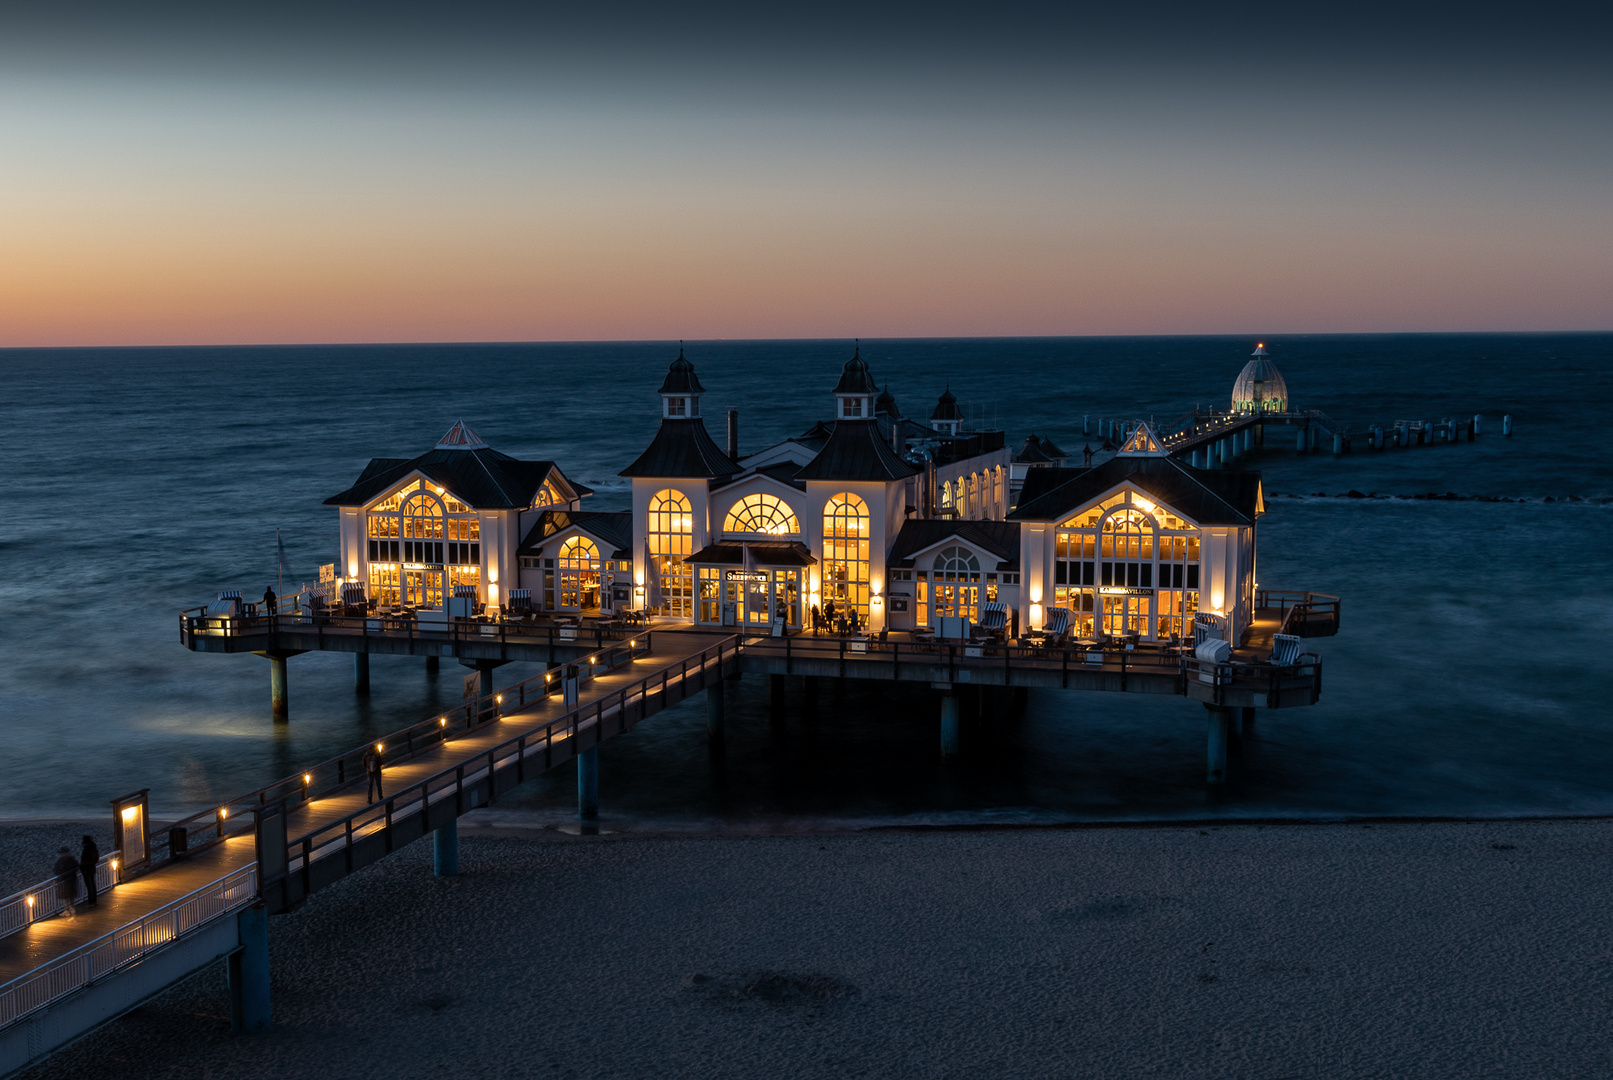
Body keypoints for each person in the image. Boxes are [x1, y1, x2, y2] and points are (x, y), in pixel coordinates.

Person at [53, 847, 78, 918]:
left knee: (65, 897)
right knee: (70, 896)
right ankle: (71, 909)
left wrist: (62, 876)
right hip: (70, 881)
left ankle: (68, 910)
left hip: (65, 881)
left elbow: (56, 870)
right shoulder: (72, 860)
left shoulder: (63, 862)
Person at [79, 835, 100, 907]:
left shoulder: (87, 848)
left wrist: (82, 865)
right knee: (92, 884)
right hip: (91, 868)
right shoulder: (93, 847)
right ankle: (94, 901)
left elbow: (86, 859)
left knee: (89, 886)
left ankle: (91, 902)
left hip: (87, 869)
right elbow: (95, 859)